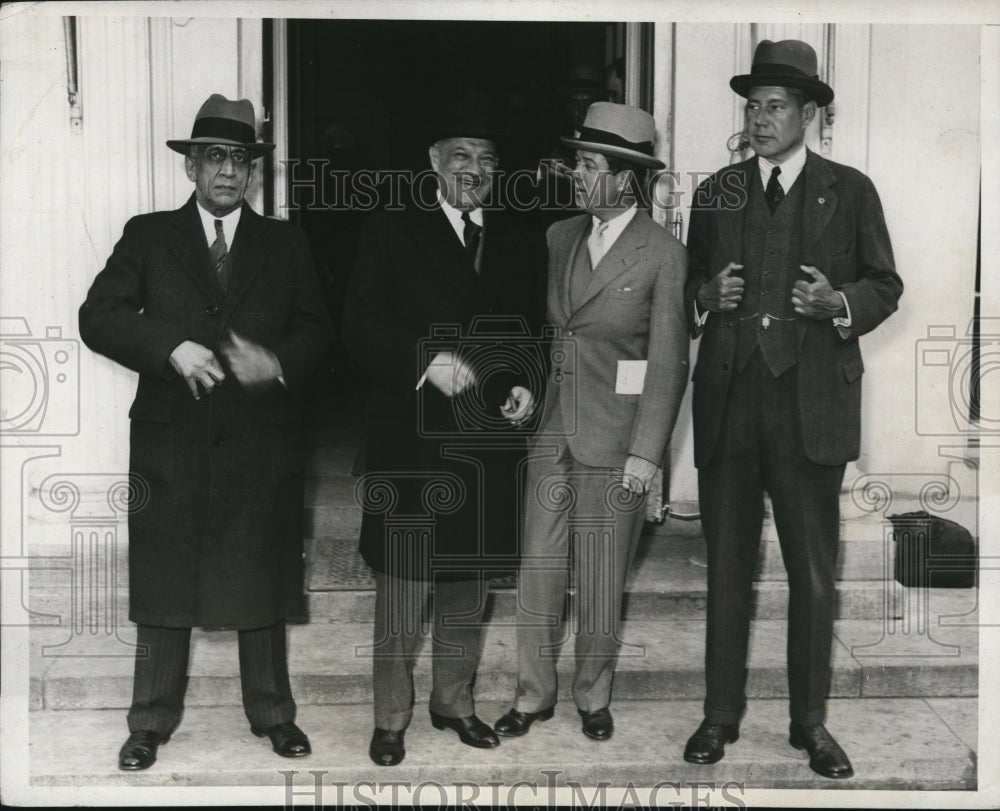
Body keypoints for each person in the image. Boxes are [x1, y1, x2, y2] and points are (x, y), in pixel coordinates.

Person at [79, 94, 332, 771]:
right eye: (214, 157)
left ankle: (273, 712)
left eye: (240, 160)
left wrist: (279, 362)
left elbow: (319, 331)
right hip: (173, 438)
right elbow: (97, 315)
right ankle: (150, 720)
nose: (228, 171)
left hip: (259, 437)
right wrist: (170, 347)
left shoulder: (286, 241)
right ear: (191, 167)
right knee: (164, 578)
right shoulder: (148, 234)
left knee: (260, 573)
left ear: (253, 171)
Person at [682, 40, 903, 779]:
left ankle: (809, 723)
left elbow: (885, 283)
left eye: (775, 106)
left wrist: (837, 302)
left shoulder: (852, 189)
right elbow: (685, 290)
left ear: (810, 114)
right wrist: (706, 298)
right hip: (730, 402)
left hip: (811, 406)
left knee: (812, 573)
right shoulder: (714, 192)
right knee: (726, 568)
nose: (760, 118)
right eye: (752, 106)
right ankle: (719, 716)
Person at [341, 97, 546, 767]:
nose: (475, 170)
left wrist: (527, 386)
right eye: (460, 156)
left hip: (486, 437)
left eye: (487, 160)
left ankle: (453, 701)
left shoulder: (518, 234)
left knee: (468, 580)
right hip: (410, 437)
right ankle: (390, 717)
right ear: (433, 162)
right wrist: (424, 358)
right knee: (404, 579)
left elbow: (534, 332)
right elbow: (360, 323)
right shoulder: (390, 227)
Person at [493, 102, 689, 742]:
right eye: (578, 161)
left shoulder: (663, 253)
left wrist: (647, 454)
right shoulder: (558, 237)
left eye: (588, 164)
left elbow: (666, 364)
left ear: (625, 177)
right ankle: (533, 695)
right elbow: (553, 335)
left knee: (603, 575)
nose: (576, 173)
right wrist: (529, 389)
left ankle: (593, 696)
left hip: (618, 440)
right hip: (553, 430)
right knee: (538, 568)